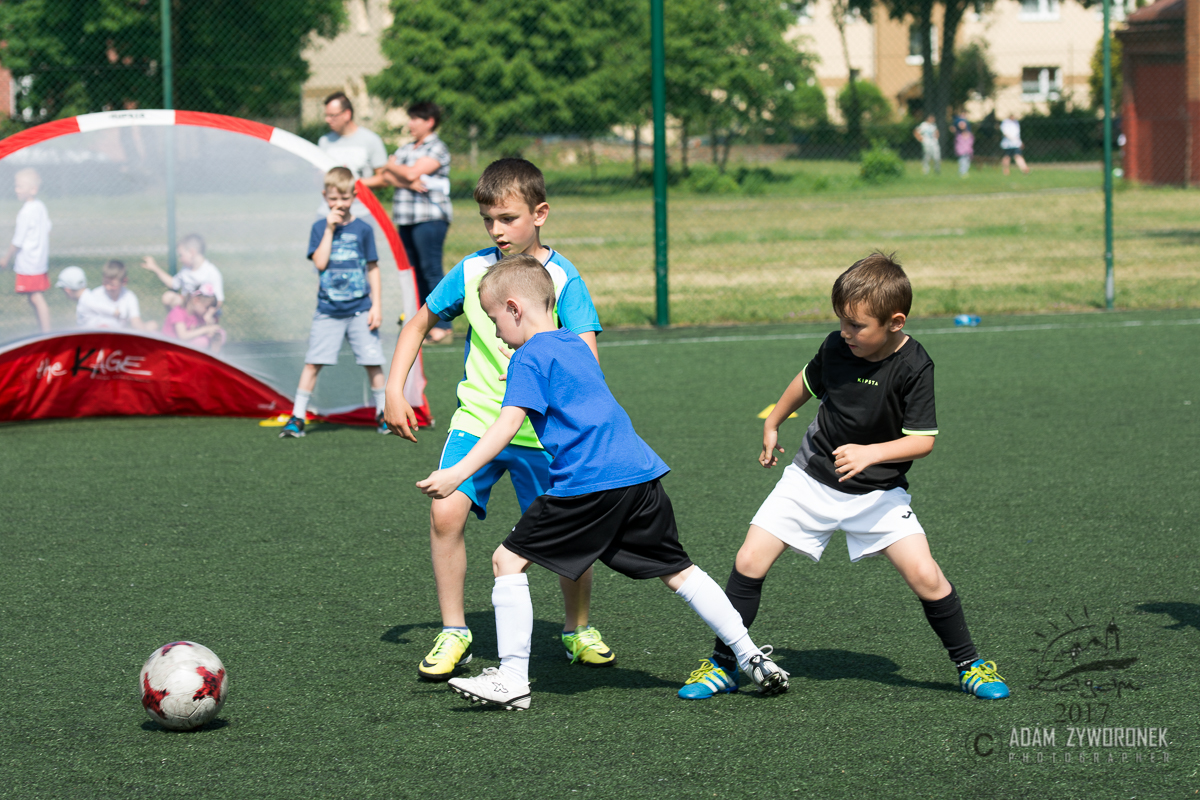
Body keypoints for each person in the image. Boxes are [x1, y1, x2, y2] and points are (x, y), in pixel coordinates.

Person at [415, 254, 789, 710]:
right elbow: (568, 386)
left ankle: (511, 678)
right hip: (639, 475)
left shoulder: (528, 357)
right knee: (679, 571)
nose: (495, 333)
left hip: (589, 482)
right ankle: (751, 656)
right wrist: (521, 371)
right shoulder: (571, 343)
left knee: (506, 561)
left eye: (494, 321)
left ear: (514, 308)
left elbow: (506, 424)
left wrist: (456, 473)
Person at [676, 252, 1009, 702]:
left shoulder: (915, 365)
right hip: (810, 478)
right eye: (841, 322)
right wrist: (773, 421)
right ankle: (722, 664)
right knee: (749, 560)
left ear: (895, 322)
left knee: (926, 575)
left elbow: (922, 440)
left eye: (857, 325)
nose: (846, 333)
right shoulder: (837, 347)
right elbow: (806, 382)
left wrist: (872, 453)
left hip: (878, 494)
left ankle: (971, 665)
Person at [383, 157, 614, 682]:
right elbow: (418, 323)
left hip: (544, 430)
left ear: (540, 214)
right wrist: (395, 390)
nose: (497, 230)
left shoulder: (563, 278)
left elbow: (586, 358)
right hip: (480, 418)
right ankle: (455, 631)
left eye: (508, 218)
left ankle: (577, 628)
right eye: (488, 219)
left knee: (568, 534)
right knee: (445, 513)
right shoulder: (471, 272)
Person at [279, 167, 387, 438]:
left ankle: (383, 413)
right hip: (328, 310)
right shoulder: (319, 227)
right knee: (313, 362)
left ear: (354, 196)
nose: (339, 204)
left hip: (360, 309)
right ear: (324, 196)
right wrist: (329, 229)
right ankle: (297, 417)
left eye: (345, 198)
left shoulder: (363, 229)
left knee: (372, 361)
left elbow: (373, 268)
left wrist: (376, 305)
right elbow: (320, 263)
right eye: (333, 198)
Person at [384, 102, 453, 344]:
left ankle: (443, 325)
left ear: (430, 121)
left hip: (430, 218)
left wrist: (393, 166)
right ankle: (421, 324)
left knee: (431, 270)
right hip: (405, 218)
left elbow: (408, 172)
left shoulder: (437, 148)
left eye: (415, 118)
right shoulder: (405, 148)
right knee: (413, 273)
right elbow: (387, 177)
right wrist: (405, 178)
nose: (410, 123)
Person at [318, 91, 389, 219]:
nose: (327, 120)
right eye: (326, 115)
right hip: (327, 213)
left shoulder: (371, 140)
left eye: (332, 115)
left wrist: (350, 183)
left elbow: (383, 179)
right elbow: (317, 178)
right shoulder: (324, 141)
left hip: (361, 213)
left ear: (347, 114)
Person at [1, 168, 52, 332]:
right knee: (33, 297)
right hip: (39, 261)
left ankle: (46, 333)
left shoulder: (26, 212)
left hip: (30, 263)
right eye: (16, 186)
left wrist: (6, 259)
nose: (17, 190)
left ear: (33, 189)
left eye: (20, 186)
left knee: (36, 297)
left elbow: (18, 240)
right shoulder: (40, 206)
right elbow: (48, 228)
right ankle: (42, 330)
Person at [141, 234, 225, 311]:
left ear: (192, 252)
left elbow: (219, 301)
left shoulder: (211, 272)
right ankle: (176, 319)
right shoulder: (185, 270)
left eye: (181, 255)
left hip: (203, 310)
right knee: (168, 297)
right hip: (186, 306)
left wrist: (205, 312)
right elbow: (173, 283)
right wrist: (155, 268)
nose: (180, 259)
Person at [76, 260, 153, 331]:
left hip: (118, 337)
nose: (108, 287)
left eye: (113, 285)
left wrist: (144, 329)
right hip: (97, 335)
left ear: (124, 282)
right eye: (105, 283)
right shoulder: (95, 295)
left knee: (152, 325)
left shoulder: (129, 297)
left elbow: (135, 320)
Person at [164, 285, 226, 354]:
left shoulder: (198, 316)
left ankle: (214, 357)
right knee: (202, 342)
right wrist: (206, 329)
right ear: (196, 300)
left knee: (220, 333)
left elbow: (208, 332)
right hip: (171, 349)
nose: (208, 311)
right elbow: (183, 336)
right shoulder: (178, 312)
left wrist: (209, 320)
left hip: (184, 349)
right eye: (207, 307)